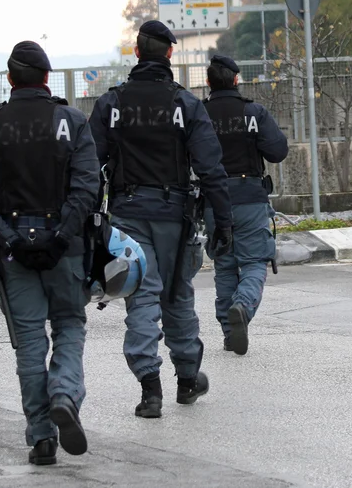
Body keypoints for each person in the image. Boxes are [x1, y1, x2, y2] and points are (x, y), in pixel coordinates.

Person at [89, 21, 232, 418]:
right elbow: (211, 170)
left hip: (128, 216)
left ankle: (149, 389)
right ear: (170, 54)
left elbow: (86, 168)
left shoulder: (111, 104)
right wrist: (224, 224)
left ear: (136, 53)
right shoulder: (185, 104)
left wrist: (85, 224)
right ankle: (187, 378)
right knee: (176, 293)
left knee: (141, 295)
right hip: (175, 216)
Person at [0, 41, 100, 464]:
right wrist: (61, 235)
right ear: (47, 78)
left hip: (12, 251)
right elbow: (86, 188)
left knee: (28, 341)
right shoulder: (73, 122)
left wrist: (9, 239)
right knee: (68, 324)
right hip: (65, 247)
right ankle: (64, 393)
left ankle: (42, 438)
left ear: (9, 80)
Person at [203, 55, 288, 355]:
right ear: (236, 80)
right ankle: (242, 306)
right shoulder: (254, 112)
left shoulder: (199, 114)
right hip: (250, 197)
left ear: (209, 81)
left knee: (224, 266)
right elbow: (278, 151)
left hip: (214, 200)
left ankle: (229, 333)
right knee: (253, 262)